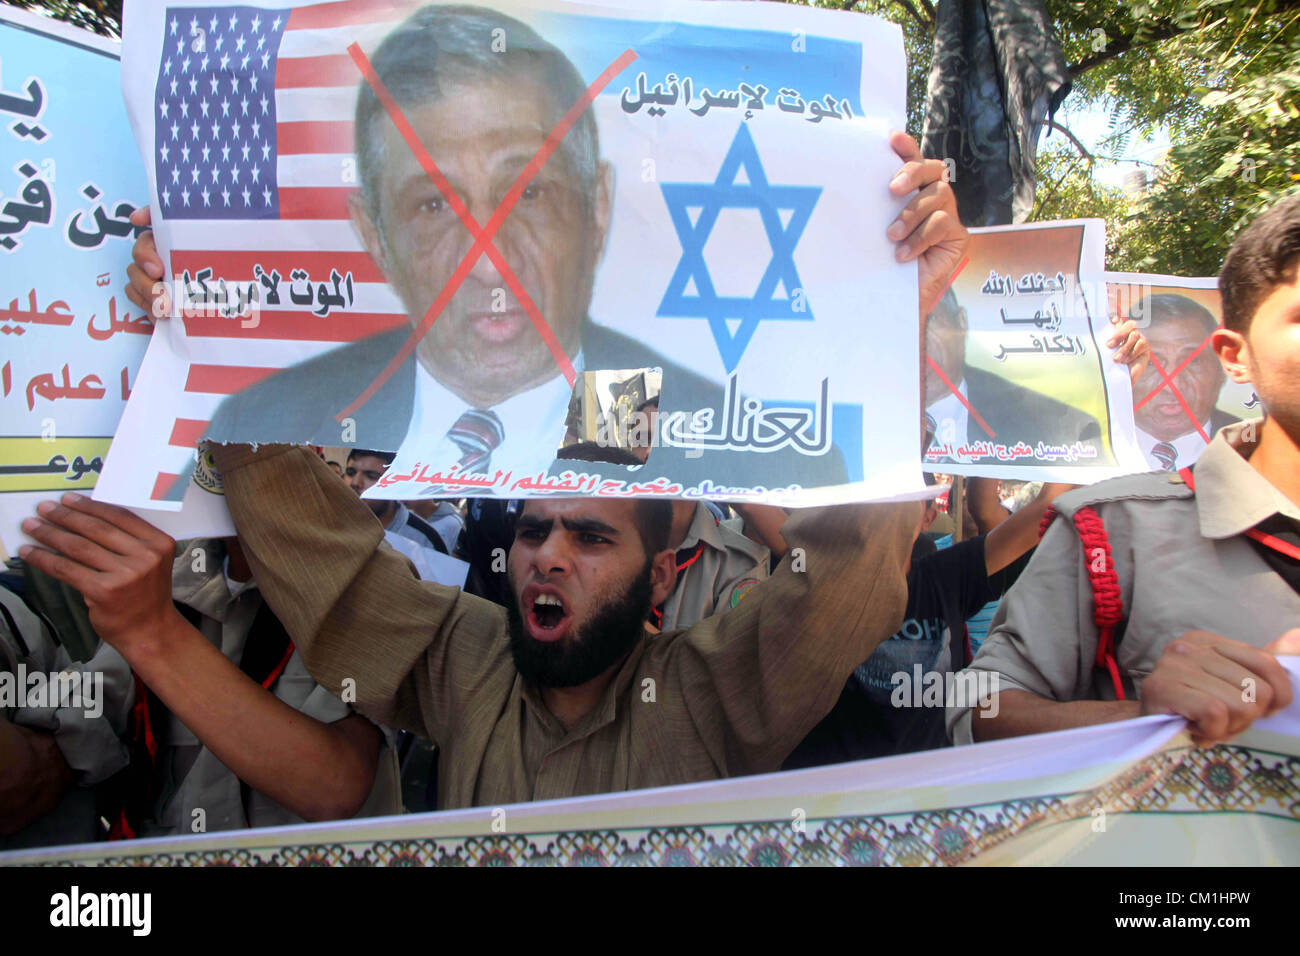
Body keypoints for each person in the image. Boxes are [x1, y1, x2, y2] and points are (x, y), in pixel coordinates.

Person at [128, 4, 861, 495]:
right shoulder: (264, 419)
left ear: (598, 207)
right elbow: (213, 562)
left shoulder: (718, 432)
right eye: (434, 204)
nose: (487, 260)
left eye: (530, 193)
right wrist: (184, 304)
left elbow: (828, 591)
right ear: (374, 236)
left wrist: (900, 297)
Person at [947, 194, 1300, 747]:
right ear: (1237, 355)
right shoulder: (1110, 528)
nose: (1169, 381)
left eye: (1182, 361)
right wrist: (1145, 718)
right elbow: (979, 709)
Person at [924, 287, 1149, 454]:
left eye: (928, 320)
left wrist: (1115, 385)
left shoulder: (1036, 415)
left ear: (961, 321)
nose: (913, 339)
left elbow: (987, 510)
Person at [1130, 292, 1239, 471]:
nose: (1172, 387)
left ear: (1221, 371)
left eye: (1193, 361)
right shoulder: (1087, 445)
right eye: (1151, 362)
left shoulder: (1255, 446)